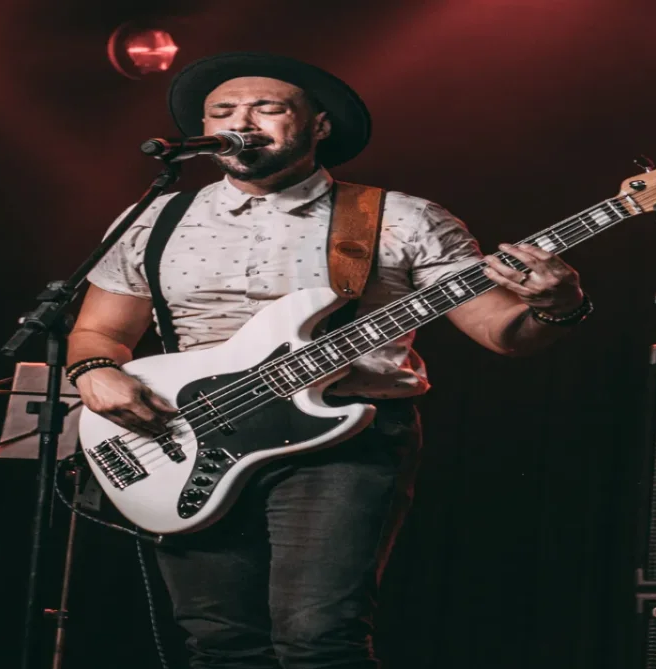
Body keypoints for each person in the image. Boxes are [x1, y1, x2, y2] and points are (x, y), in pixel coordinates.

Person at [67, 52, 590, 669]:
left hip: (342, 441)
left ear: (318, 126)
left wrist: (559, 306)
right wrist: (94, 372)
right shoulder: (154, 218)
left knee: (318, 640)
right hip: (188, 437)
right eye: (223, 111)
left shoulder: (400, 218)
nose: (242, 121)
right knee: (220, 643)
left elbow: (503, 334)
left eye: (266, 108)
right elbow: (98, 331)